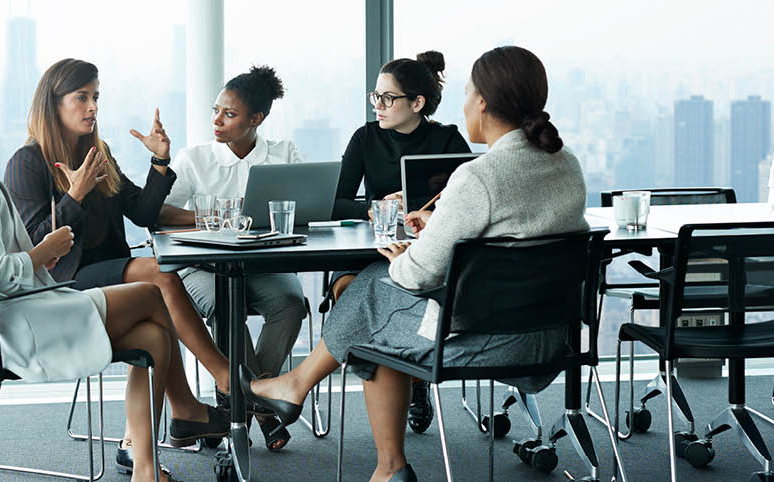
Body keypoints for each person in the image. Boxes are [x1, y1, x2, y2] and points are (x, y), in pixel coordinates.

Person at [241, 46, 589, 482]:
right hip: (551, 340)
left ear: (482, 102)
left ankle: (328, 413)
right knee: (371, 309)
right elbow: (513, 228)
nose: (463, 104)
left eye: (467, 94)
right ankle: (366, 449)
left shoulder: (478, 176)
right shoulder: (567, 164)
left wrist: (406, 255)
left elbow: (416, 275)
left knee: (371, 289)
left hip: (480, 339)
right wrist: (441, 222)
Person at [0, 61, 192, 482]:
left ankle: (145, 465)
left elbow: (139, 209)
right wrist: (43, 251)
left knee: (154, 336)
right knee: (151, 293)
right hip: (18, 324)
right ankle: (190, 409)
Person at [3, 59, 229, 471]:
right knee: (157, 273)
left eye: (96, 98)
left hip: (112, 278)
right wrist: (73, 195)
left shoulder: (98, 152)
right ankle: (222, 377)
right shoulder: (26, 163)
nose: (92, 107)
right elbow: (37, 245)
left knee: (151, 333)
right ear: (53, 105)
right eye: (82, 98)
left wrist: (160, 162)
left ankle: (153, 436)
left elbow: (141, 211)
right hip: (63, 286)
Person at [158, 65, 307, 451]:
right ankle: (263, 410)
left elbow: (306, 209)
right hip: (204, 266)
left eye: (229, 114)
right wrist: (212, 218)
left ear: (256, 119)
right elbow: (159, 212)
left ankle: (247, 397)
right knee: (227, 304)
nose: (217, 121)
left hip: (263, 264)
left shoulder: (284, 154)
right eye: (216, 110)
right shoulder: (196, 158)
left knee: (291, 305)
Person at [330, 51, 472, 432]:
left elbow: (463, 203)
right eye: (375, 96)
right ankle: (405, 378)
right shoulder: (365, 138)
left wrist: (414, 206)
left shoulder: (448, 139)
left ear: (417, 103)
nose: (378, 105)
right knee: (348, 290)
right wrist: (376, 208)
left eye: (387, 98)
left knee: (416, 293)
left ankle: (414, 373)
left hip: (429, 250)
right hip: (373, 247)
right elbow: (337, 202)